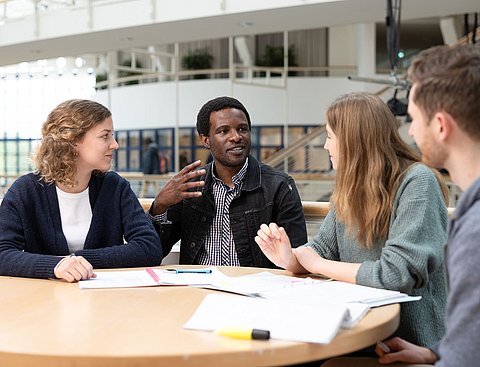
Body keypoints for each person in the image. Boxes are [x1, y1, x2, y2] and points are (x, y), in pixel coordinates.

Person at [255, 92, 448, 347]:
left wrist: (317, 264)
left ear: (353, 140)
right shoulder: (349, 188)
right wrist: (290, 258)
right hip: (357, 337)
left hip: (411, 344)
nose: (325, 146)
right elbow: (322, 249)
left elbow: (395, 275)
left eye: (330, 136)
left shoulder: (418, 182)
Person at [372, 45, 480, 367]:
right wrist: (435, 352)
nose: (410, 131)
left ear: (441, 125)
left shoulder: (475, 232)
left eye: (414, 118)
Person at [0, 99, 162, 282]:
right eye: (105, 136)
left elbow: (149, 248)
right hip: (43, 302)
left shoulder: (115, 187)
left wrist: (79, 261)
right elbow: (2, 253)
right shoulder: (25, 191)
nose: (115, 144)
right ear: (73, 141)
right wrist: (55, 266)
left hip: (104, 301)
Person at [149, 96, 307, 267]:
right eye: (224, 131)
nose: (236, 137)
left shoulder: (279, 186)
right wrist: (159, 206)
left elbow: (298, 256)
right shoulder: (190, 187)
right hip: (197, 289)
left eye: (242, 129)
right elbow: (153, 250)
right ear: (205, 140)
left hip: (254, 290)